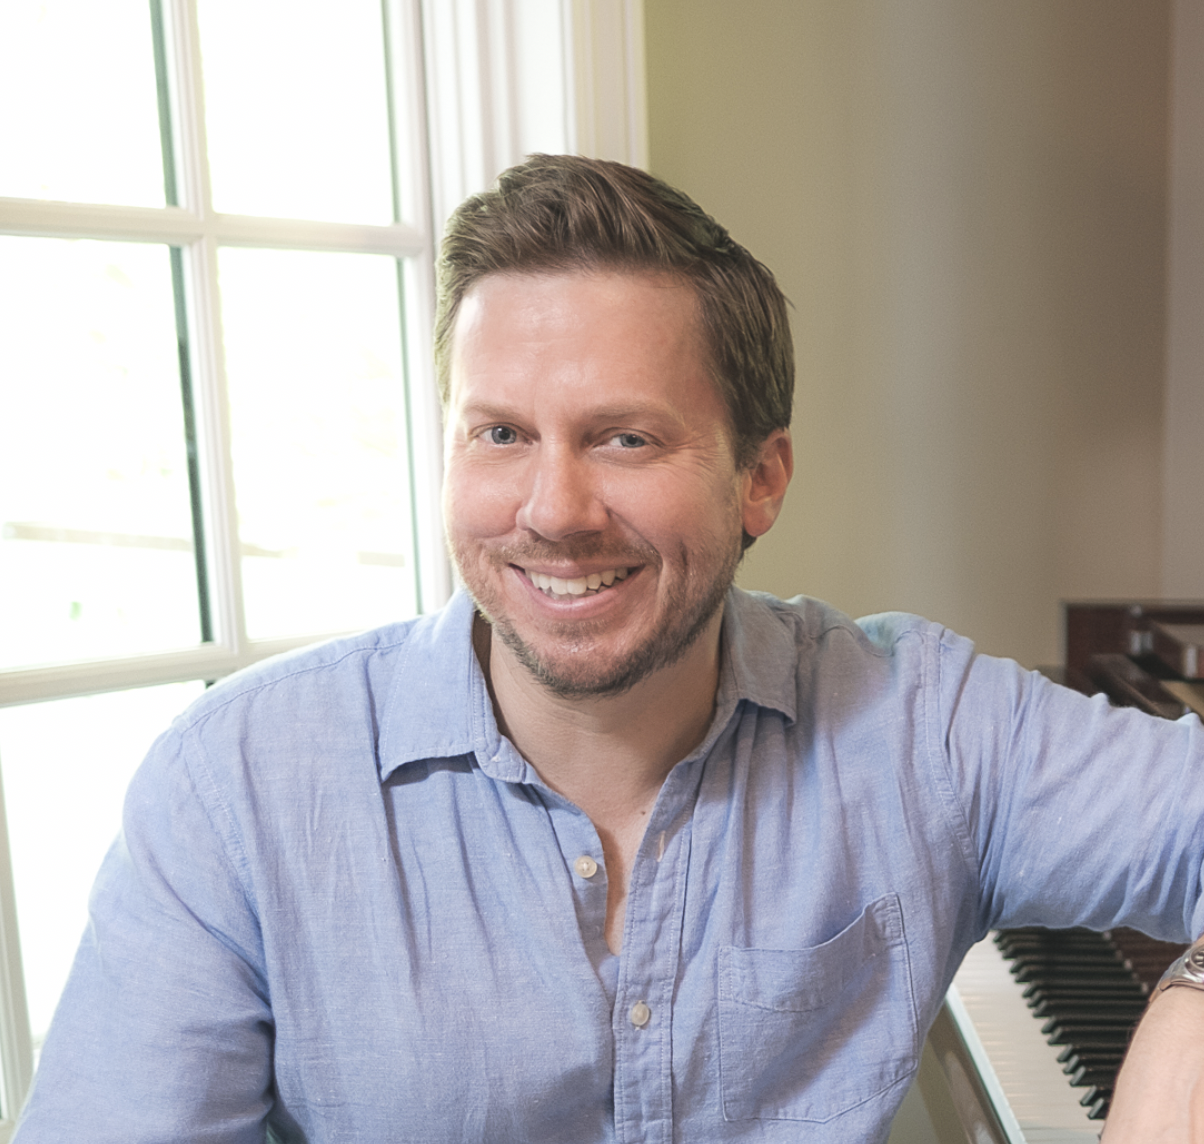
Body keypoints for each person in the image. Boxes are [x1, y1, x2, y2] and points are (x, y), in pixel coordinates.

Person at [13, 155, 1204, 1144]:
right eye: (500, 433)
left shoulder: (921, 724)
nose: (553, 508)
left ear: (759, 480)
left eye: (624, 437)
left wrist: (1185, 1027)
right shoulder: (233, 789)